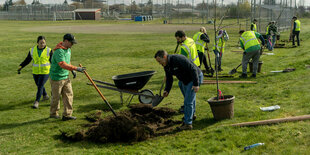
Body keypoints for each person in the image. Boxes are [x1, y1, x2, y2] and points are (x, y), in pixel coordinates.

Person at [154, 50, 203, 130]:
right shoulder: (166, 65)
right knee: (188, 98)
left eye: (159, 61)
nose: (159, 63)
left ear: (165, 57)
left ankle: (188, 124)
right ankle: (191, 115)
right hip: (184, 80)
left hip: (194, 77)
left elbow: (193, 69)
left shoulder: (178, 59)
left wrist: (196, 84)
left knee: (188, 101)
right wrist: (167, 90)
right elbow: (169, 78)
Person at [49, 33, 85, 121]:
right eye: (71, 43)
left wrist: (72, 70)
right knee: (56, 97)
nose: (72, 44)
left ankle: (67, 115)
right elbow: (62, 64)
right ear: (66, 41)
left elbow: (67, 62)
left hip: (66, 77)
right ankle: (53, 113)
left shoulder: (68, 50)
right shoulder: (58, 51)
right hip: (56, 78)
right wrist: (76, 68)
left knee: (69, 95)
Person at [18, 36, 52, 109]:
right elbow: (28, 60)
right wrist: (21, 66)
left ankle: (36, 102)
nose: (42, 44)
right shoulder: (32, 50)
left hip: (45, 72)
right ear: (37, 43)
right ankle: (45, 95)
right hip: (35, 72)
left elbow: (53, 61)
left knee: (40, 86)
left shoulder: (49, 50)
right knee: (39, 85)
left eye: (44, 43)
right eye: (41, 43)